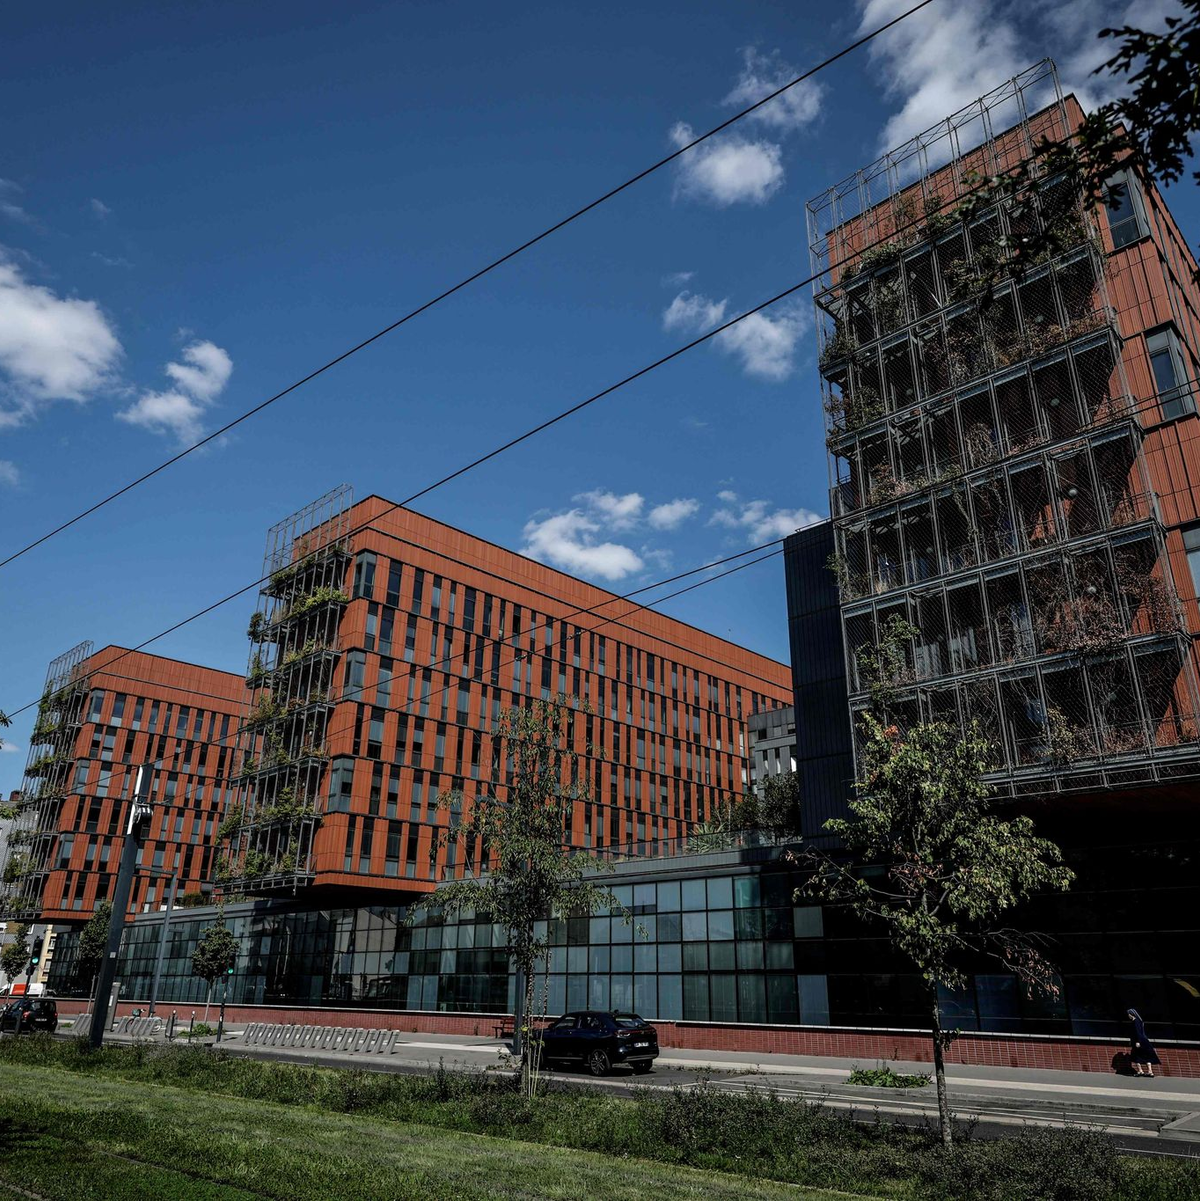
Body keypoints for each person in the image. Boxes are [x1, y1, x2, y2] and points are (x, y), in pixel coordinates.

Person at [1127, 1008, 1161, 1078]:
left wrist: (1138, 1041)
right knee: (1146, 1056)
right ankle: (1150, 1071)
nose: (1128, 1016)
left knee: (1136, 1056)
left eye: (1128, 1014)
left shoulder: (1135, 1022)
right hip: (1144, 1041)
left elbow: (1138, 1032)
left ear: (1131, 1014)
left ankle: (1140, 1071)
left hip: (1139, 1041)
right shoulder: (1139, 1021)